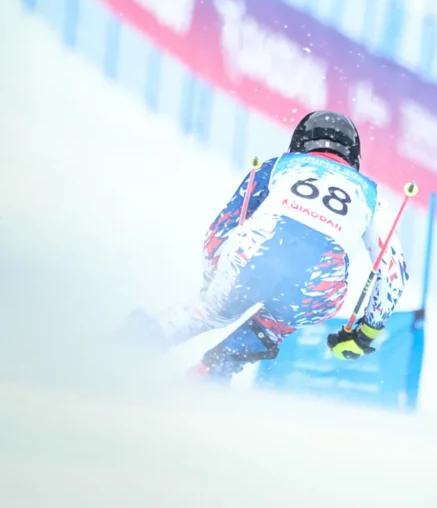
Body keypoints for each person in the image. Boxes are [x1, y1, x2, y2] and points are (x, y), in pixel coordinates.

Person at [122, 111, 409, 380]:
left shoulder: (277, 166)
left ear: (299, 142)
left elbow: (222, 229)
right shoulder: (372, 196)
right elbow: (393, 270)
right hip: (318, 281)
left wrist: (214, 281)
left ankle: (136, 343)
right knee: (279, 320)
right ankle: (215, 368)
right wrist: (365, 333)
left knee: (213, 311)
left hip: (253, 253)